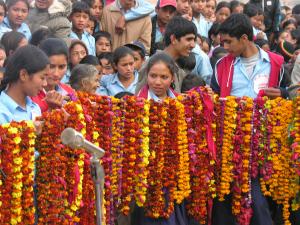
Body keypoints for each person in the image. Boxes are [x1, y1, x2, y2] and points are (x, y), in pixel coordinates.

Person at [211, 13, 290, 225]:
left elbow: (290, 96)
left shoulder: (277, 63)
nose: (225, 46)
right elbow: (214, 99)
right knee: (226, 200)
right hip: (230, 146)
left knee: (259, 200)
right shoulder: (221, 66)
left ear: (245, 38)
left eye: (229, 41)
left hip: (265, 144)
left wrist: (282, 93)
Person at [136, 16, 197, 94]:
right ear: (174, 39)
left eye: (194, 40)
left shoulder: (177, 68)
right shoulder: (151, 64)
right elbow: (139, 101)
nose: (193, 45)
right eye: (189, 39)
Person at [0, 45, 49, 124]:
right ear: (23, 75)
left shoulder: (34, 107)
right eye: (42, 78)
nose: (45, 84)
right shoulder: (2, 112)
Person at [33, 38, 75, 112]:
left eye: (61, 67)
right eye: (51, 67)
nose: (56, 73)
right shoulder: (31, 94)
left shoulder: (69, 92)